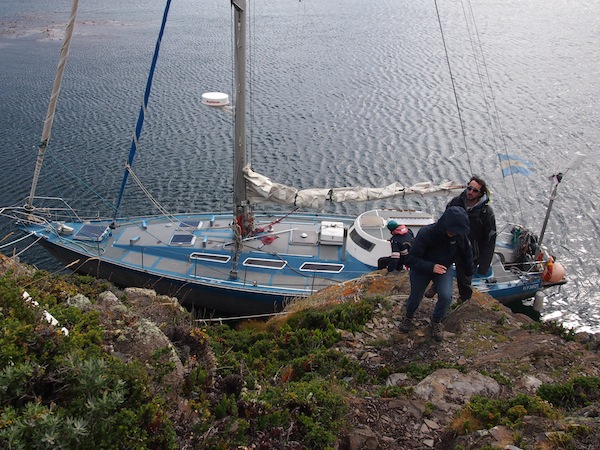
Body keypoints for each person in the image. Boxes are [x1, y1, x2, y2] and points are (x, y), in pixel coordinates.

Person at [400, 206, 473, 341]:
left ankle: (436, 320)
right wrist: (431, 267)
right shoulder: (426, 233)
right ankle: (408, 316)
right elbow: (411, 259)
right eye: (452, 229)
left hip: (444, 268)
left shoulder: (460, 237)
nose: (454, 233)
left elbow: (467, 254)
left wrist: (469, 271)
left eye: (457, 231)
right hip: (421, 268)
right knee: (415, 297)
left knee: (446, 296)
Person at [425, 175, 497, 302]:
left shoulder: (486, 213)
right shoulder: (456, 202)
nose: (470, 192)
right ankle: (436, 285)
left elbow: (490, 238)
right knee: (442, 266)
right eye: (469, 188)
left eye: (475, 190)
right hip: (451, 243)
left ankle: (464, 300)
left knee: (465, 278)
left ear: (481, 193)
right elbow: (443, 222)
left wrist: (484, 265)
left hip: (470, 250)